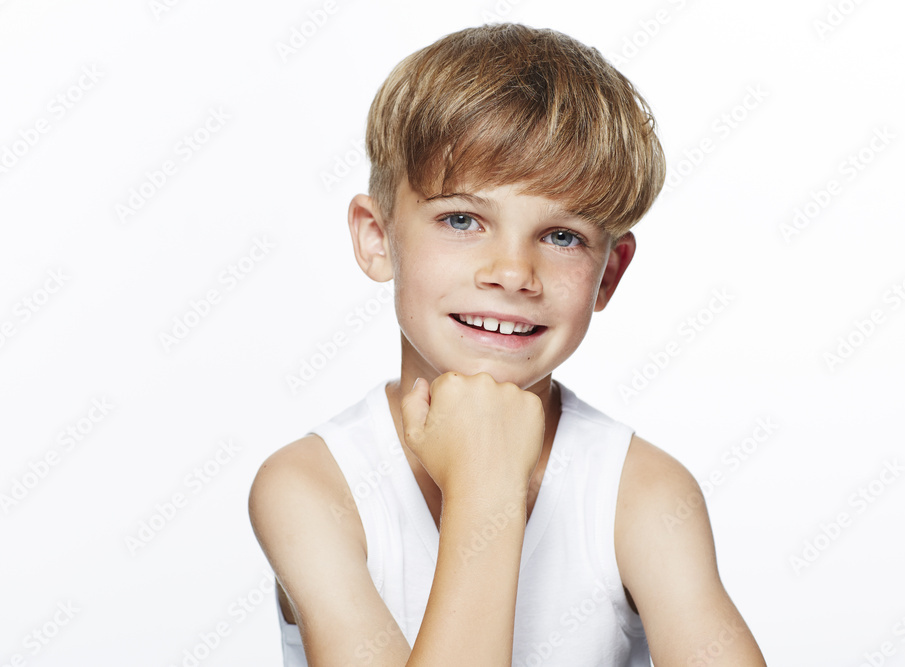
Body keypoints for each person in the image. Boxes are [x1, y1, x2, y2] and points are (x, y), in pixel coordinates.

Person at [249, 22, 767, 666]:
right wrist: (487, 487)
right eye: (461, 220)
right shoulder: (311, 488)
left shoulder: (644, 494)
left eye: (562, 236)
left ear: (609, 272)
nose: (513, 272)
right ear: (378, 237)